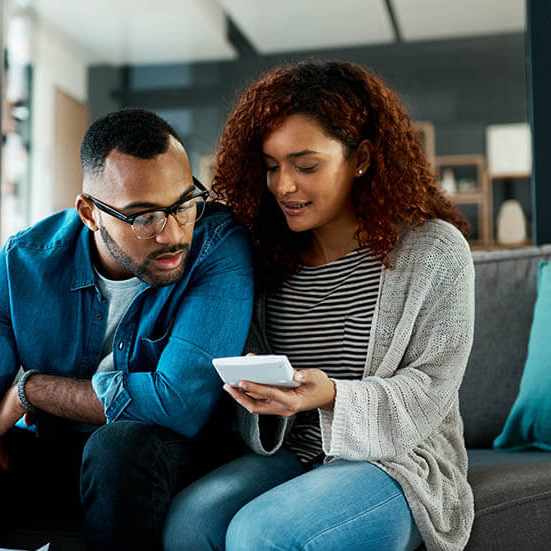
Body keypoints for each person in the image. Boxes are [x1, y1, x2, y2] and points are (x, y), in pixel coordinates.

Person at [0, 108, 254, 551]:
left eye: (184, 204)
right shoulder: (22, 266)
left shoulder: (219, 248)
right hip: (62, 457)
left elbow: (179, 402)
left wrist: (33, 391)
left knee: (118, 449)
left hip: (165, 460)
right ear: (90, 213)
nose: (171, 234)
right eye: (143, 216)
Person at [163, 61, 476, 551]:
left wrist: (330, 395)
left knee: (260, 534)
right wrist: (259, 392)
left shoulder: (433, 252)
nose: (283, 185)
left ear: (363, 158)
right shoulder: (265, 256)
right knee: (189, 521)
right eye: (271, 167)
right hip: (295, 452)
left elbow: (429, 390)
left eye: (306, 166)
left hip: (395, 462)